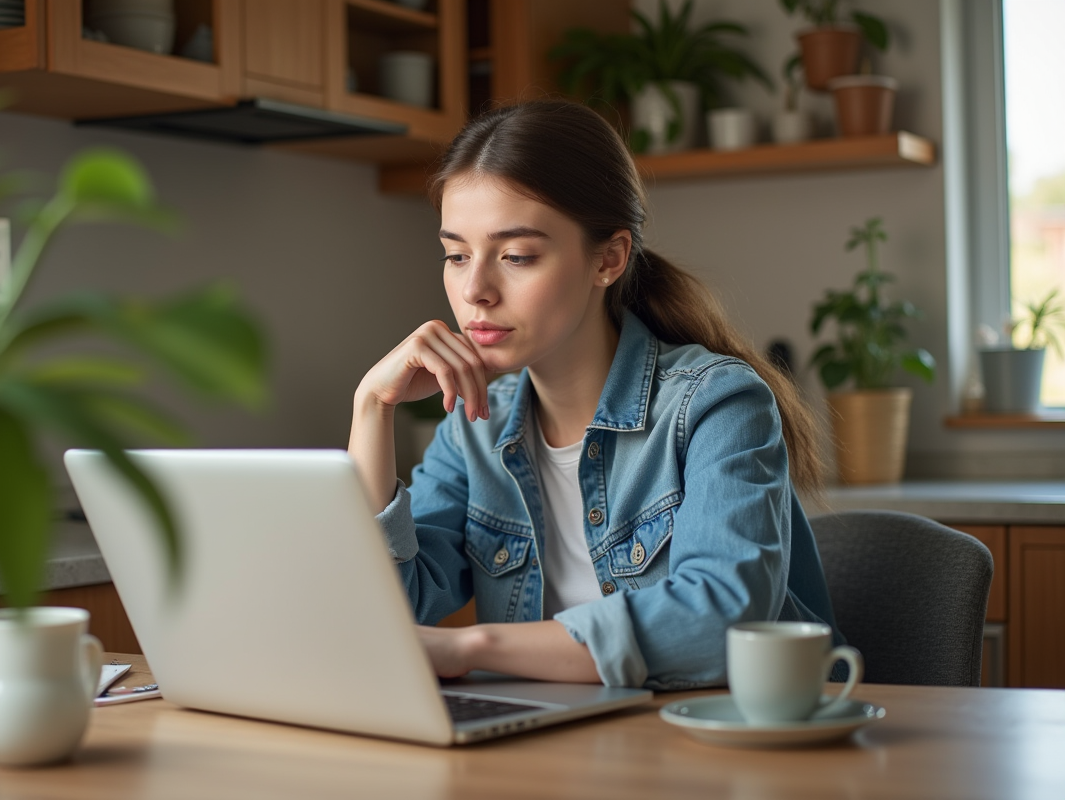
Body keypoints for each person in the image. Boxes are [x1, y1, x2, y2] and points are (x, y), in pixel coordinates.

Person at [347, 100, 841, 691]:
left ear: (608, 259)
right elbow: (382, 611)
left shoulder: (717, 404)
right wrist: (371, 408)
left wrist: (472, 645)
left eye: (516, 256)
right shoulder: (475, 428)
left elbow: (722, 622)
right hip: (560, 744)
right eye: (456, 255)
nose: (475, 289)